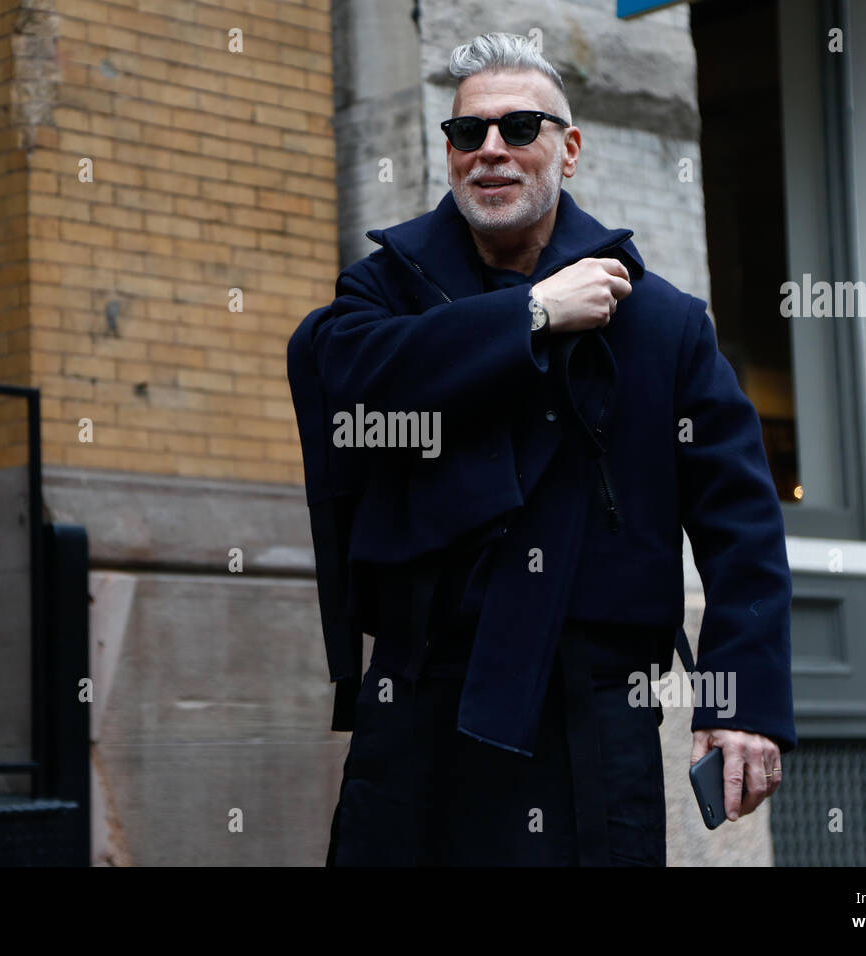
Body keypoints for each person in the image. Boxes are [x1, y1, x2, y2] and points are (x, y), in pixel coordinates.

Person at [287, 32, 795, 866]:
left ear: (569, 148)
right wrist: (532, 313)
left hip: (592, 715)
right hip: (416, 702)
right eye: (467, 133)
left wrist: (741, 701)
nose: (491, 150)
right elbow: (348, 382)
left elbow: (740, 520)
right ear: (449, 155)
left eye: (520, 129)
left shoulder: (662, 324)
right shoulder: (383, 289)